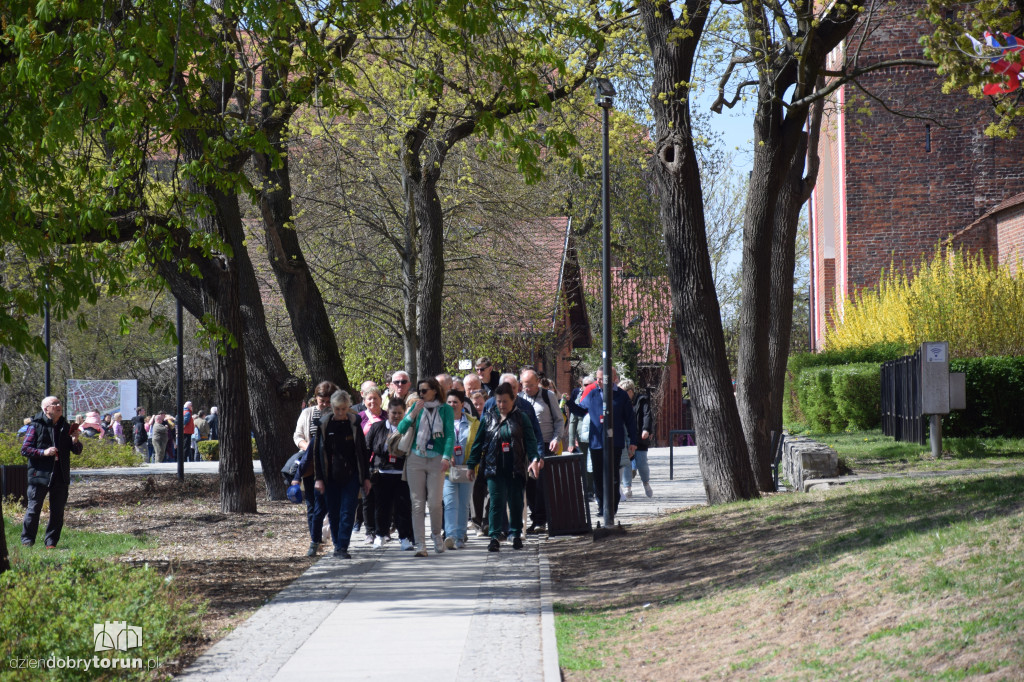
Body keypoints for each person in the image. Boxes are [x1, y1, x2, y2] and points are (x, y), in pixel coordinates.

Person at [467, 383, 541, 552]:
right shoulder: (487, 417)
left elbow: (530, 441)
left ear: (513, 400)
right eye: (498, 401)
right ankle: (494, 536)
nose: (501, 405)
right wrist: (472, 464)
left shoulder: (522, 417)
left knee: (515, 503)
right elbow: (478, 443)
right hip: (494, 468)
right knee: (496, 502)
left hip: (515, 467)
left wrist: (535, 458)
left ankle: (515, 534)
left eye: (505, 401)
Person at [566, 368, 638, 518]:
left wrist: (633, 441)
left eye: (601, 378)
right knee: (598, 477)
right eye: (597, 378)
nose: (598, 381)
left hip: (615, 442)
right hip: (596, 443)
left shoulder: (621, 395)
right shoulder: (592, 394)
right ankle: (602, 506)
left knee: (613, 476)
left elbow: (630, 420)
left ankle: (612, 506)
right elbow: (580, 411)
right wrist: (568, 403)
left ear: (613, 378)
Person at [396, 377, 454, 557]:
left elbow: (450, 435)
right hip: (416, 457)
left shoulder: (445, 410)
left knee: (435, 503)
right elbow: (401, 428)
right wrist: (412, 413)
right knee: (417, 503)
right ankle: (420, 544)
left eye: (424, 391)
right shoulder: (416, 407)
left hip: (437, 459)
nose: (421, 394)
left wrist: (446, 456)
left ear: (435, 391)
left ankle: (436, 535)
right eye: (419, 391)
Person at [313, 390, 371, 559]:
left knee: (348, 511)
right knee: (334, 512)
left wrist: (365, 477)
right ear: (332, 407)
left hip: (351, 475)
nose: (340, 413)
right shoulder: (324, 425)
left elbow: (362, 452)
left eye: (344, 409)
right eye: (337, 409)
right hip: (330, 476)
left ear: (348, 408)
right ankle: (337, 544)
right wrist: (319, 479)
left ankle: (342, 547)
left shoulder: (354, 424)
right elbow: (318, 453)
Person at [20, 396, 83, 548]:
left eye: (59, 402)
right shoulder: (35, 425)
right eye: (54, 404)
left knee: (57, 512)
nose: (58, 405)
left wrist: (75, 440)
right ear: (46, 409)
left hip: (60, 475)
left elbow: (76, 451)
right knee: (33, 509)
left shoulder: (65, 426)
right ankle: (27, 541)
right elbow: (25, 449)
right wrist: (44, 452)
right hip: (39, 475)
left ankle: (51, 543)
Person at [292, 381, 337, 557]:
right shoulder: (307, 413)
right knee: (312, 504)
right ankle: (315, 539)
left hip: (332, 467)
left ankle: (331, 536)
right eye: (321, 400)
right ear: (315, 399)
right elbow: (297, 435)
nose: (325, 404)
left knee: (331, 503)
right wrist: (308, 447)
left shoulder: (338, 414)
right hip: (311, 464)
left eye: (328, 401)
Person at [367, 398, 415, 550]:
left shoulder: (409, 428)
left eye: (400, 413)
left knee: (403, 507)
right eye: (393, 413)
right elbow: (367, 448)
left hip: (402, 474)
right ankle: (380, 535)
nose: (396, 416)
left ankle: (404, 538)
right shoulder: (377, 427)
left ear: (404, 414)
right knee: (382, 507)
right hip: (382, 473)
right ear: (387, 412)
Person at [519, 369, 563, 534]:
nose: (527, 388)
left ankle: (541, 520)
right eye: (524, 385)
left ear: (537, 382)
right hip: (525, 447)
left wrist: (556, 439)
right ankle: (536, 518)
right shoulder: (520, 399)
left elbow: (559, 420)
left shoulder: (548, 396)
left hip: (544, 445)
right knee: (529, 484)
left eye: (530, 385)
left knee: (541, 484)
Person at [442, 390, 479, 549]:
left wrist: (473, 463)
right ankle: (450, 535)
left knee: (464, 503)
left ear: (462, 404)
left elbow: (478, 446)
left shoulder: (473, 423)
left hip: (467, 469)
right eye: (449, 402)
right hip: (448, 469)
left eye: (455, 402)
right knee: (450, 502)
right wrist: (445, 454)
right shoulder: (441, 422)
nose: (452, 405)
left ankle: (460, 536)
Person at [358, 387, 386, 545]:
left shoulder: (387, 416)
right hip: (365, 462)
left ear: (381, 400)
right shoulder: (359, 418)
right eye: (369, 398)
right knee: (367, 499)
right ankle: (369, 531)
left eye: (375, 398)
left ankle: (382, 529)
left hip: (383, 463)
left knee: (383, 498)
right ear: (364, 401)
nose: (372, 401)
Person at [619, 379, 654, 499]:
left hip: (639, 435)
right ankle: (627, 488)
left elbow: (647, 415)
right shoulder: (621, 402)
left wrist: (646, 429)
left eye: (623, 392)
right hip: (626, 436)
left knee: (641, 462)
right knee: (626, 462)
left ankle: (646, 483)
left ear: (630, 391)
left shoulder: (642, 400)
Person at [567, 375, 595, 501]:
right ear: (581, 386)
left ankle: (593, 488)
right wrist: (571, 442)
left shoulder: (598, 398)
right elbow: (572, 422)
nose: (588, 387)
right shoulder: (578, 401)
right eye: (585, 385)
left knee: (594, 463)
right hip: (582, 438)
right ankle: (587, 490)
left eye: (590, 384)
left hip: (595, 436)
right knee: (584, 464)